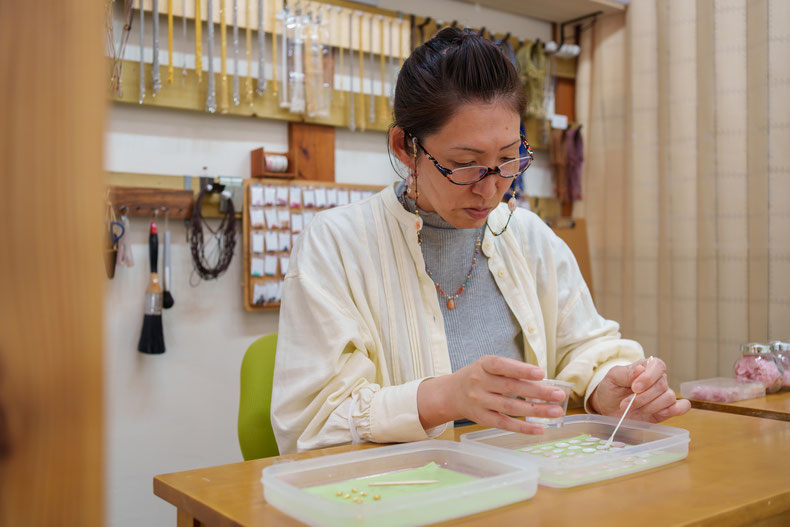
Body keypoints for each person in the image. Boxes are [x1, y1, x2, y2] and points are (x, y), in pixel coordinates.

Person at [271, 27, 690, 454]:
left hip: (526, 487)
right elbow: (309, 422)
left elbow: (586, 346)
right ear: (405, 147)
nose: (492, 189)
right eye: (466, 165)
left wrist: (609, 388)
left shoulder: (527, 237)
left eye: (509, 159)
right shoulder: (336, 246)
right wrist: (444, 397)